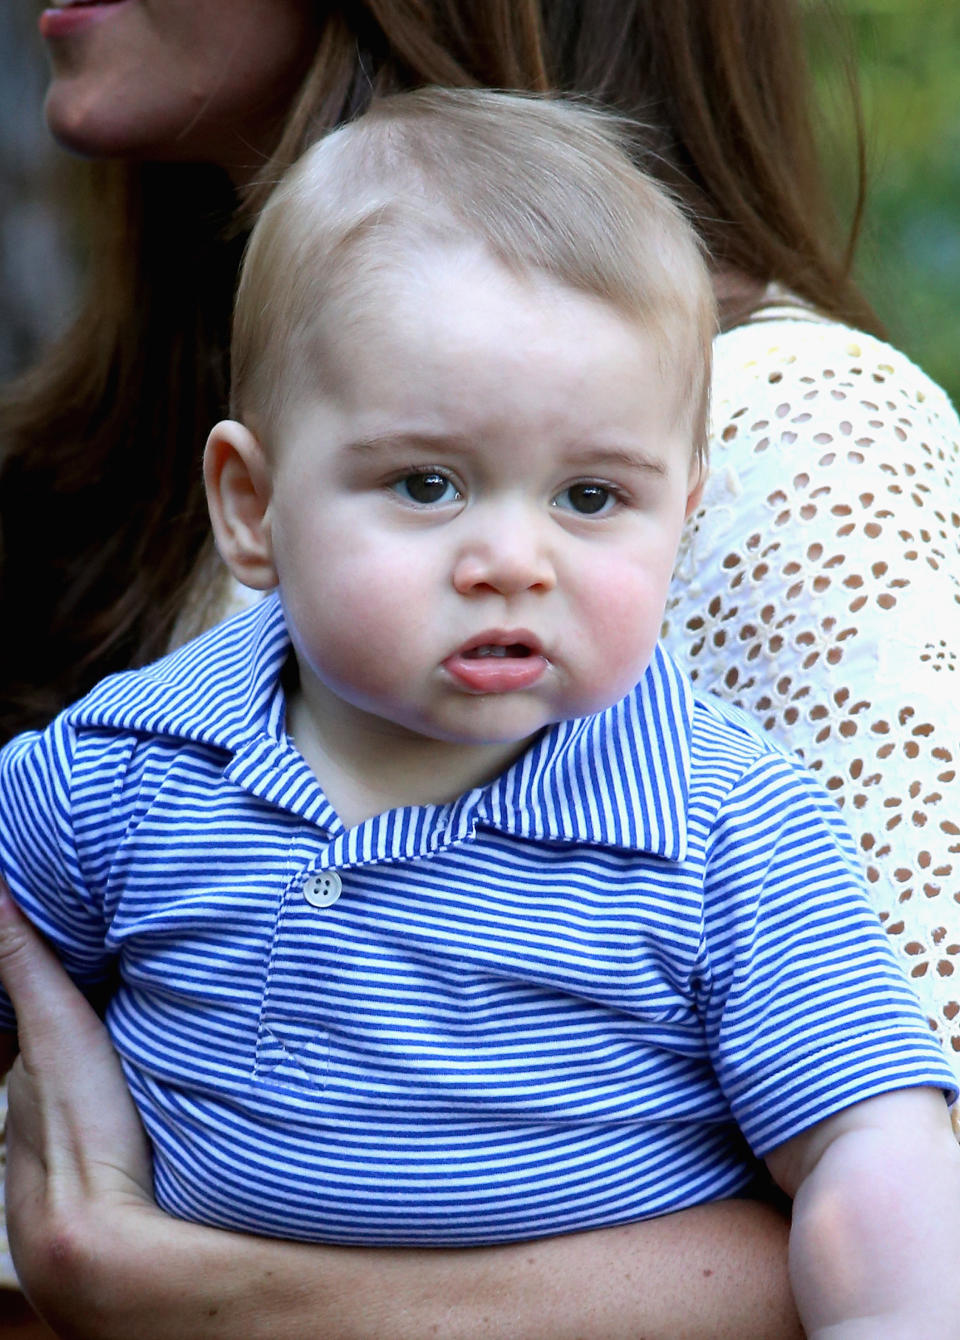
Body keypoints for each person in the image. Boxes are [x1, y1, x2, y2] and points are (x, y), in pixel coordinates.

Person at [0, 1, 957, 1335]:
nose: (514, 559)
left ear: (686, 511)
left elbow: (874, 1147)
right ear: (250, 507)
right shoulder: (137, 767)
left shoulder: (725, 830)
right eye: (430, 482)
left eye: (590, 498)